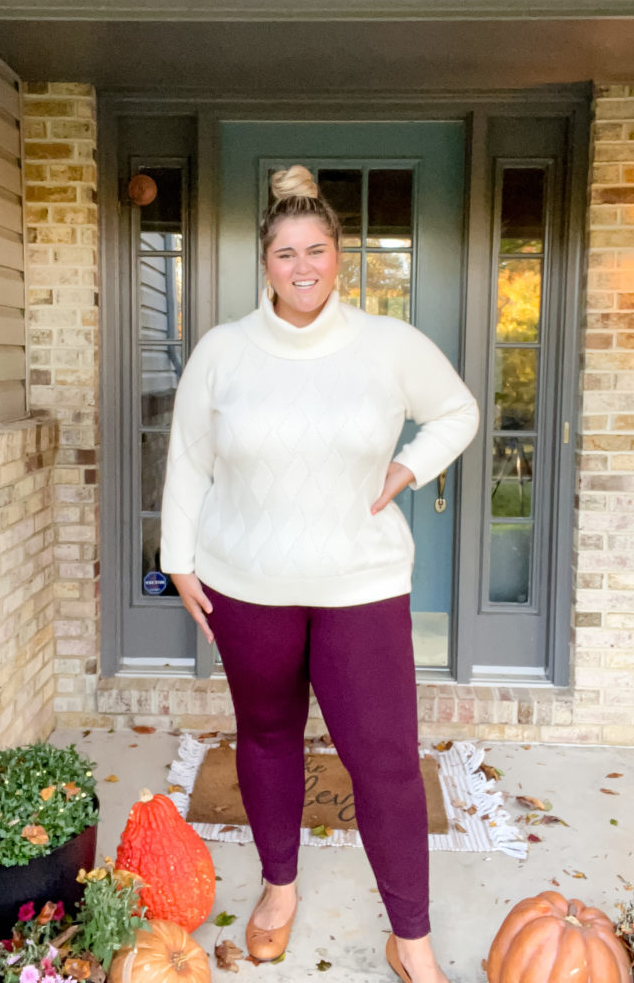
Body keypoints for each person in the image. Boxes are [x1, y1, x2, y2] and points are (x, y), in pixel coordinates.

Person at [160, 165, 479, 983]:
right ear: (264, 262)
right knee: (266, 740)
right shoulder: (222, 353)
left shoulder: (389, 345)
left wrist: (407, 470)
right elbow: (190, 461)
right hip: (248, 587)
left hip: (360, 590)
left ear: (339, 256)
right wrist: (177, 557)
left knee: (385, 762)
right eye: (284, 253)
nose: (301, 266)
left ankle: (409, 936)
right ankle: (278, 889)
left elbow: (459, 412)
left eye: (316, 250)